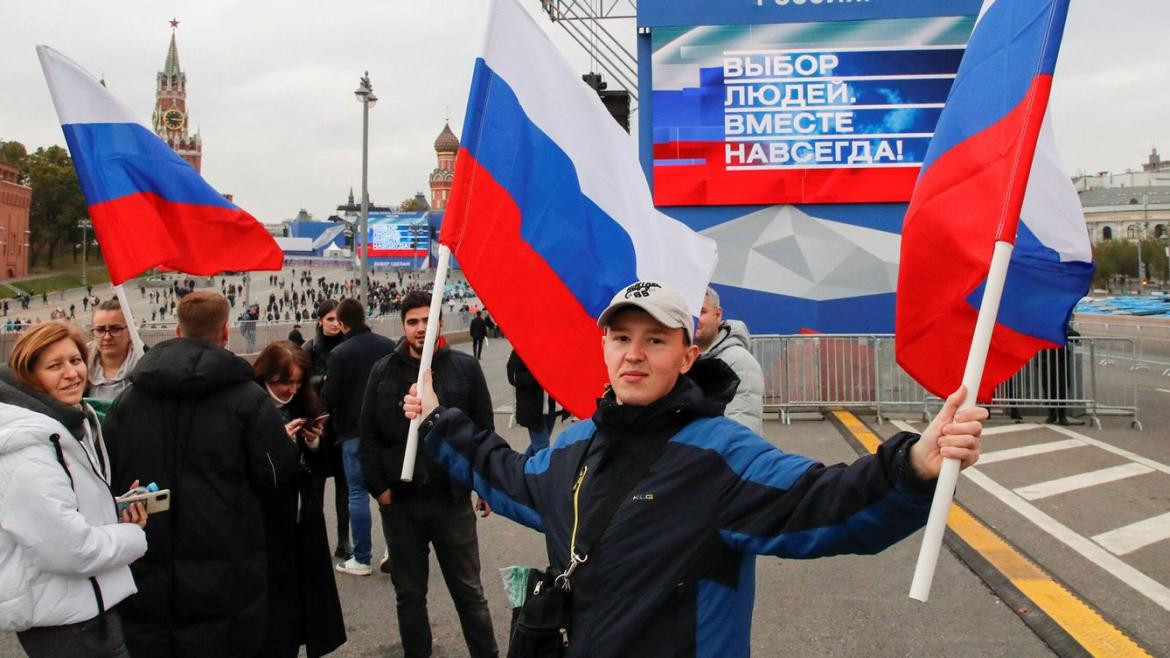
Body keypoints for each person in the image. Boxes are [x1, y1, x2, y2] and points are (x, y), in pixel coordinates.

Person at [404, 280, 986, 657]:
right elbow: (507, 475)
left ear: (687, 357)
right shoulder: (573, 445)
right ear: (604, 347)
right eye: (622, 337)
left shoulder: (721, 455)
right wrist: (436, 423)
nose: (634, 353)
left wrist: (912, 465)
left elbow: (824, 502)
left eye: (655, 340)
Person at [102, 291, 301, 657]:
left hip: (148, 558)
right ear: (226, 332)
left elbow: (108, 473)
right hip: (226, 563)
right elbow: (275, 475)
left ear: (178, 329)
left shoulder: (130, 399)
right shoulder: (248, 400)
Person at [360, 291, 497, 658]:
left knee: (469, 593)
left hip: (451, 501)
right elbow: (368, 436)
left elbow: (484, 429)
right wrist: (380, 490)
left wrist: (486, 484)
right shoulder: (383, 370)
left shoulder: (465, 369)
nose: (421, 328)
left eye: (427, 320)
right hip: (401, 505)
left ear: (439, 322)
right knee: (409, 597)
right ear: (403, 326)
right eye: (412, 322)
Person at [0, 321, 148, 657]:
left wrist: (115, 507)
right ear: (30, 376)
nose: (72, 373)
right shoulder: (29, 451)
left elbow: (64, 510)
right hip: (67, 624)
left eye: (76, 360)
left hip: (82, 608)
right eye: (55, 366)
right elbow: (67, 549)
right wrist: (131, 536)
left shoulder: (65, 426)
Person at [252, 341, 346, 658]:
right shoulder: (249, 406)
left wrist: (316, 443)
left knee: (301, 605)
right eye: (283, 383)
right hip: (265, 523)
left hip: (302, 516)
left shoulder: (304, 403)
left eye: (296, 383)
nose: (291, 390)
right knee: (273, 613)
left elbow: (326, 467)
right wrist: (278, 444)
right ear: (266, 376)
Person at [322, 298, 395, 576]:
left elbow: (330, 397)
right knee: (388, 492)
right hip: (387, 432)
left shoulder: (340, 353)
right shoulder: (388, 346)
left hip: (353, 433)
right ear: (364, 316)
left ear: (341, 324)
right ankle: (394, 548)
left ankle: (362, 558)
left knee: (357, 493)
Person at [302, 299, 351, 558]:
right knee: (315, 486)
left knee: (344, 488)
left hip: (341, 424)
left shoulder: (347, 347)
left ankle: (344, 540)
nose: (334, 324)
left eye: (337, 320)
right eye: (329, 319)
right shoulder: (309, 348)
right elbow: (300, 381)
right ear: (320, 320)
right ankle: (314, 540)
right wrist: (323, 379)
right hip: (317, 424)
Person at [693, 286, 765, 433]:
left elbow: (741, 428)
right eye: (689, 311)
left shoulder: (739, 361)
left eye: (701, 311)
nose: (694, 318)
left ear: (718, 314)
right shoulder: (678, 360)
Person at [85, 298, 141, 401]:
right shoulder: (80, 367)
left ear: (129, 331)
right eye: (100, 330)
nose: (107, 337)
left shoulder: (146, 368)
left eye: (115, 329)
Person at [507, 349, 559, 456]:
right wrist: (538, 376)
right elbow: (513, 377)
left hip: (552, 407)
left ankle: (522, 467)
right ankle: (543, 472)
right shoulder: (521, 349)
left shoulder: (555, 347)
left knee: (539, 444)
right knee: (542, 448)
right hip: (532, 409)